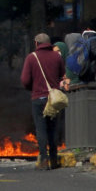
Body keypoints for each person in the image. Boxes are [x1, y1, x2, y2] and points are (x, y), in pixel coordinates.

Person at [21, 33, 68, 170]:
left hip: (38, 99)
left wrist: (33, 88)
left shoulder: (31, 58)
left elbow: (25, 81)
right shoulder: (57, 57)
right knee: (53, 129)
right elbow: (62, 75)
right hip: (53, 99)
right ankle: (54, 159)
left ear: (36, 44)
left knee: (41, 129)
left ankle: (43, 160)